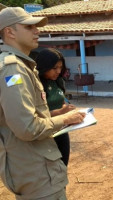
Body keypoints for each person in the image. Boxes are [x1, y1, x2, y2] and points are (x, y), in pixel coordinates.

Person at [0, 7, 85, 200]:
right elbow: (27, 127)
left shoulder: (21, 66)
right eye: (29, 27)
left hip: (37, 168)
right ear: (9, 32)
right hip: (37, 175)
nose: (37, 31)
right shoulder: (13, 70)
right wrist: (65, 118)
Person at [36, 48, 76, 166]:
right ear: (43, 66)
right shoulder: (35, 85)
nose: (58, 71)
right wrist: (60, 112)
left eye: (60, 67)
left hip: (62, 130)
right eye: (54, 68)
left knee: (63, 165)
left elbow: (61, 99)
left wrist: (66, 108)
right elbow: (35, 114)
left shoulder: (58, 81)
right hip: (45, 133)